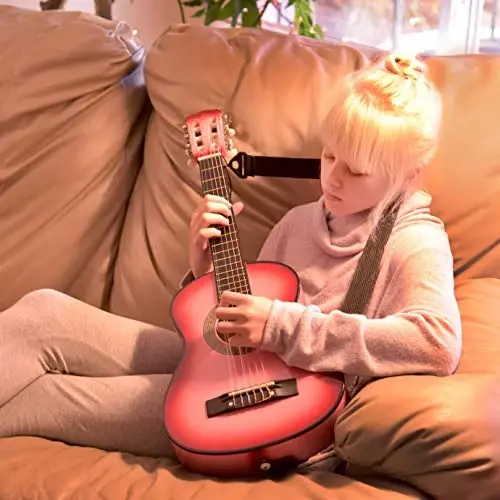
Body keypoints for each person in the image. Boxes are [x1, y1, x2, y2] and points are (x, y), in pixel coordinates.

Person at [0, 53, 462, 462]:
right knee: (44, 310)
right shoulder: (298, 223)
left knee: (46, 396)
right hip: (230, 365)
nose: (332, 179)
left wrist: (281, 326)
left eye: (356, 170)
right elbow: (233, 329)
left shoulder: (414, 239)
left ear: (409, 174)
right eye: (328, 156)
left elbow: (436, 343)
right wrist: (203, 270)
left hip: (276, 409)